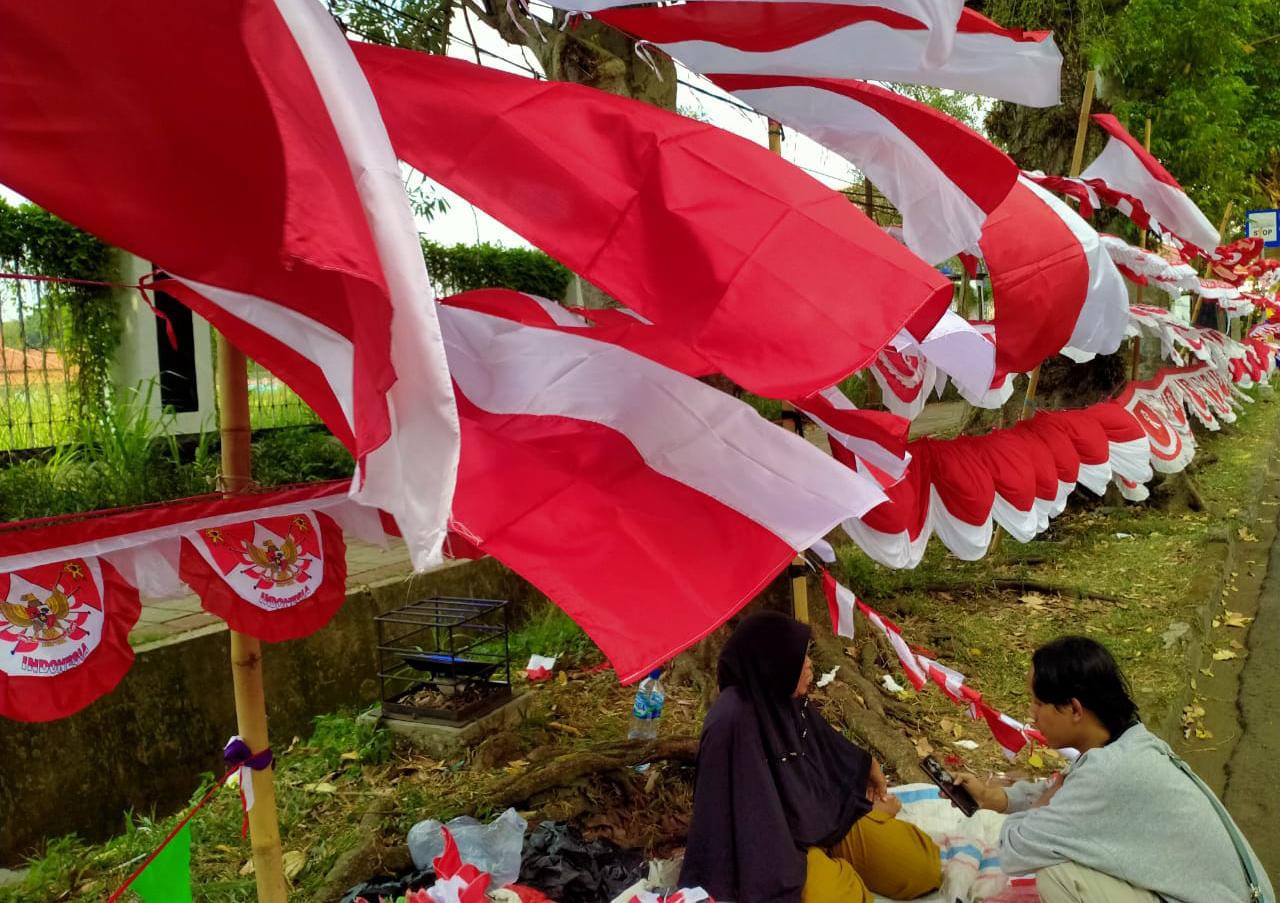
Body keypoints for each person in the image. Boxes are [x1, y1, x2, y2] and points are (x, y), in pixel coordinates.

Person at [953, 636, 1273, 903]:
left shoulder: (1108, 773)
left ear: (1074, 709)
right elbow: (1068, 796)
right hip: (1244, 893)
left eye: (1038, 703)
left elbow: (1014, 850)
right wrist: (992, 798)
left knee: (1059, 876)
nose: (1031, 714)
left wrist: (1036, 808)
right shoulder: (1129, 741)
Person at [679, 610, 941, 903]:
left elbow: (824, 748)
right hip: (779, 847)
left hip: (824, 816)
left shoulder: (785, 696)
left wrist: (866, 764)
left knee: (921, 869)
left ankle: (837, 855)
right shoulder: (729, 722)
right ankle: (830, 868)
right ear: (772, 664)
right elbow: (730, 823)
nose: (809, 665)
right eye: (800, 658)